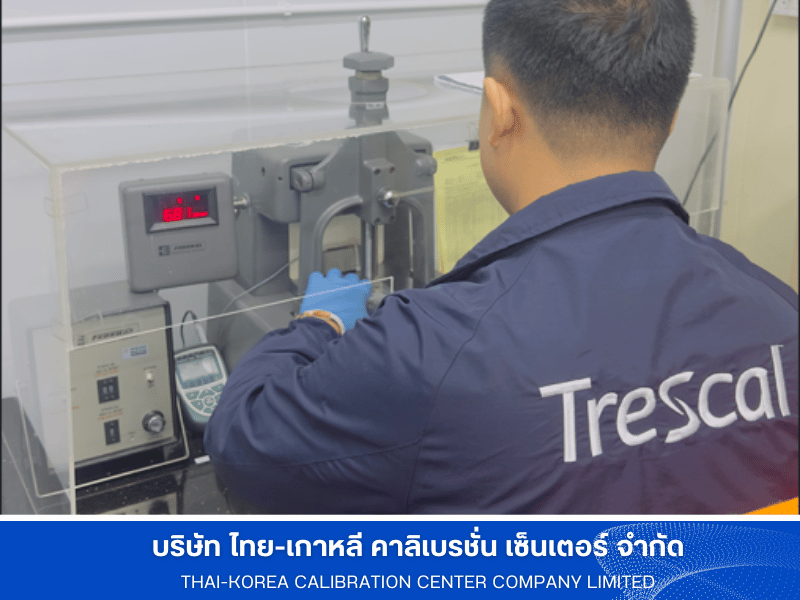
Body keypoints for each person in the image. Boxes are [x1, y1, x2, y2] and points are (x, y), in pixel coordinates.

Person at [204, 0, 798, 514]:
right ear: (671, 118)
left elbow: (241, 444)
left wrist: (319, 322)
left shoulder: (432, 352)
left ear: (500, 109)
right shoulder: (778, 313)